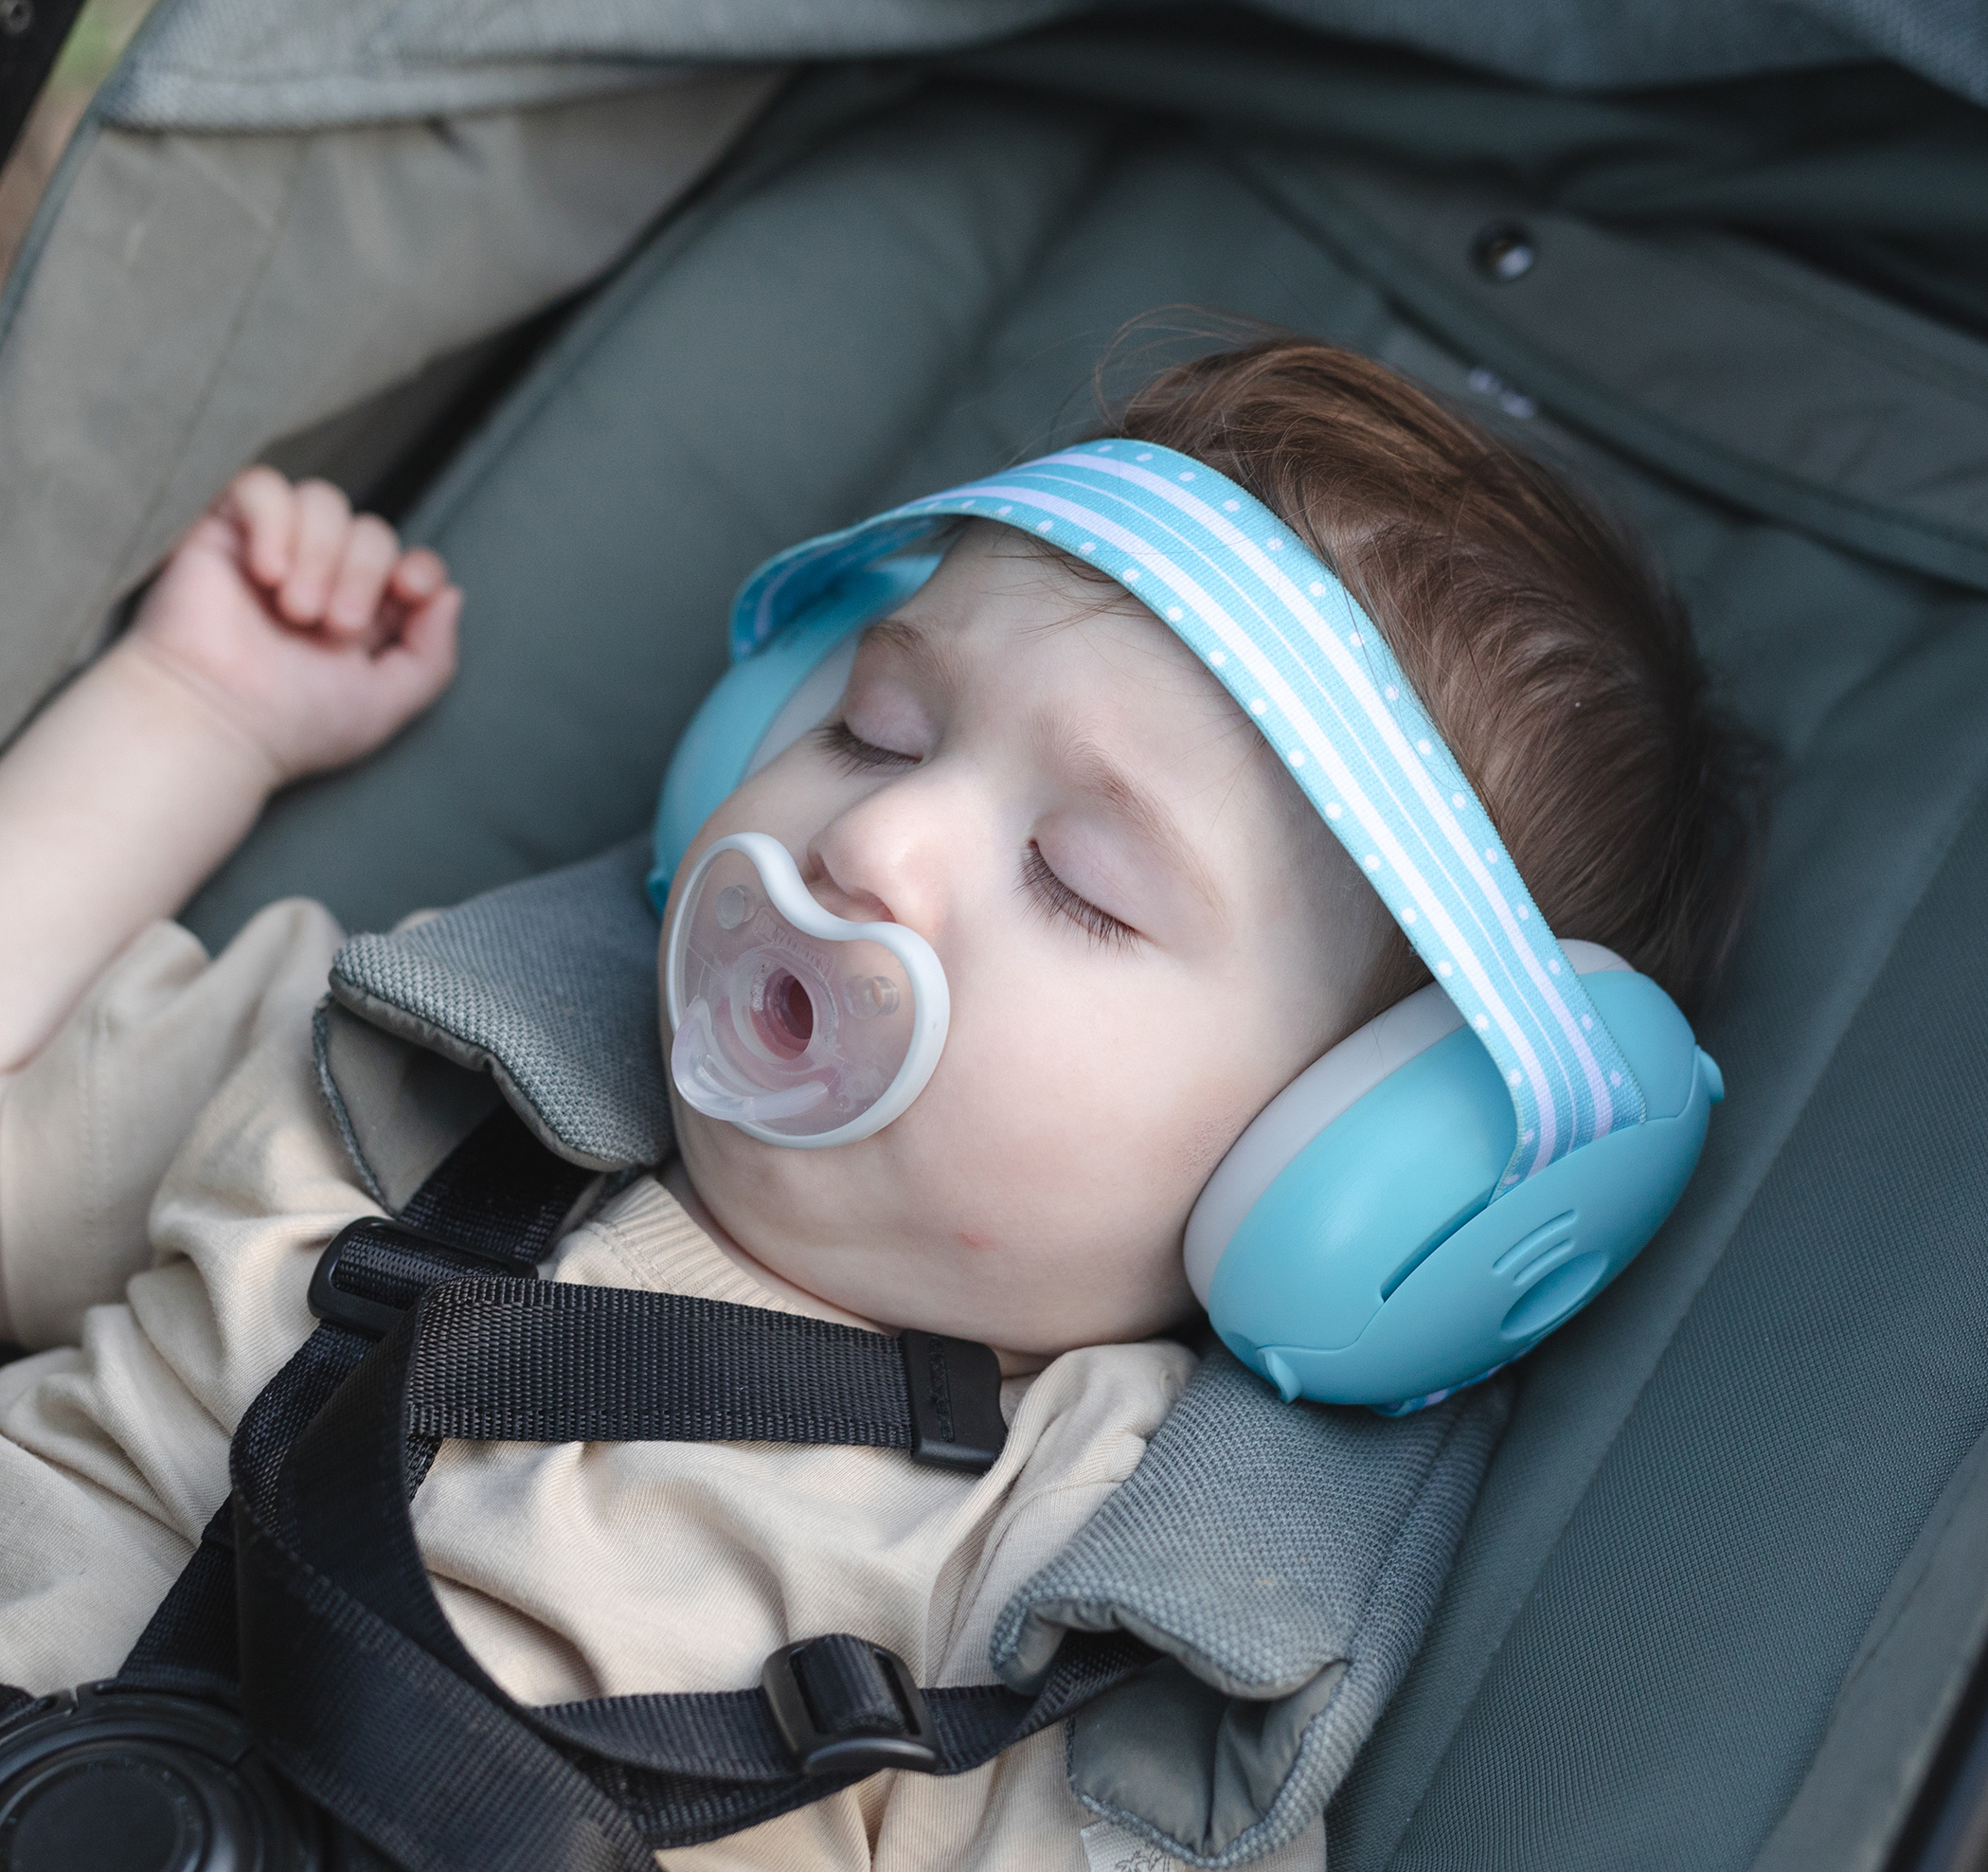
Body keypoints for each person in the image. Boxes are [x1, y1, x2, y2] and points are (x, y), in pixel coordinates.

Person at [0, 339, 1752, 1869]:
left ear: (1352, 1166)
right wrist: (196, 708)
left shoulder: (1075, 1593)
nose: (868, 841)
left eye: (1075, 881)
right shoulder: (404, 1075)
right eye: (878, 728)